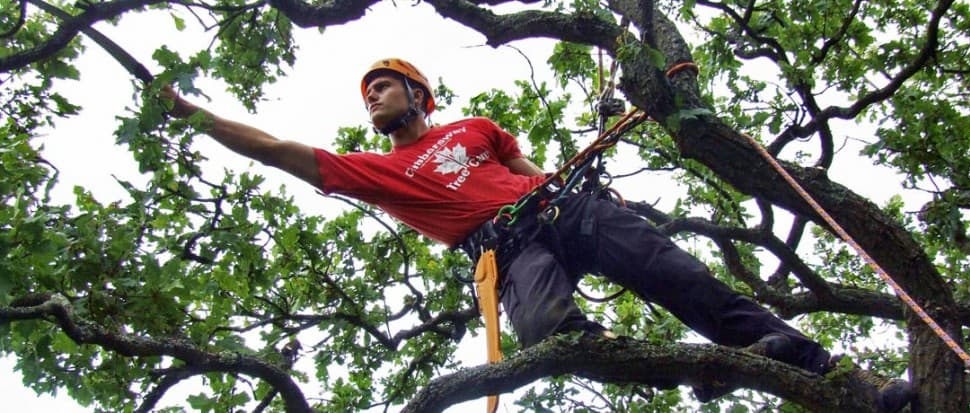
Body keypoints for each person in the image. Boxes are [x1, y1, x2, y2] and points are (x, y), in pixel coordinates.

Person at [162, 58, 911, 411]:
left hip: (562, 208)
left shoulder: (476, 127)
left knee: (685, 277)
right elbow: (276, 149)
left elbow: (530, 170)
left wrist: (579, 193)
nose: (372, 99)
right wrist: (197, 116)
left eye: (382, 86)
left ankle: (837, 375)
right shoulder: (376, 171)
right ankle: (712, 368)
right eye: (367, 95)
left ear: (419, 93)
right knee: (551, 334)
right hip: (506, 250)